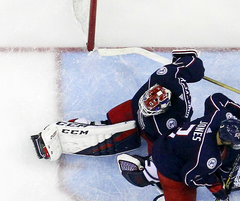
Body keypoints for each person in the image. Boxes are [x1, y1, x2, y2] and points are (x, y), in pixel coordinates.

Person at [31, 50, 205, 160]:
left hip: (152, 130)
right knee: (112, 122)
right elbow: (187, 64)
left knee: (156, 155)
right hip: (134, 110)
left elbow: (174, 140)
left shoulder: (176, 117)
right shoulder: (165, 76)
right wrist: (189, 61)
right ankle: (85, 125)